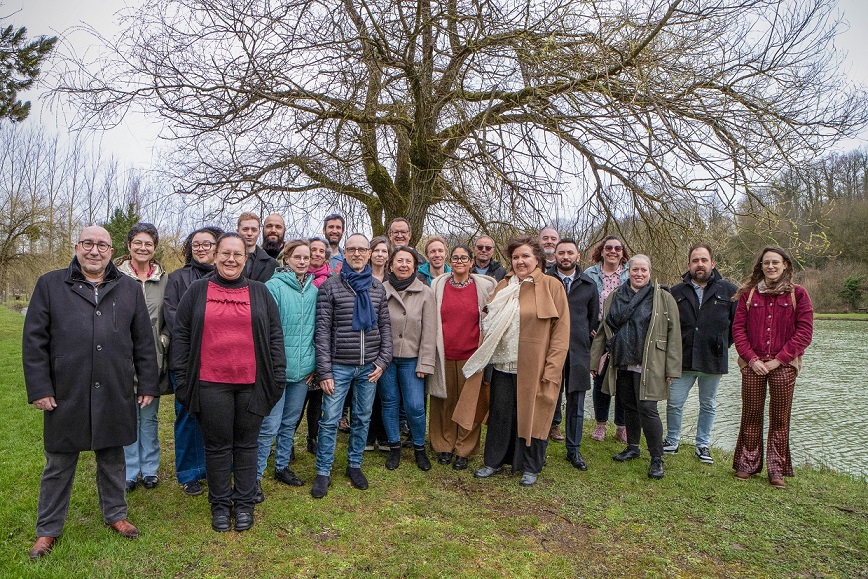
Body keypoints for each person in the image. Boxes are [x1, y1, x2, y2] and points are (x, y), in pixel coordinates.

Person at [24, 226, 159, 559]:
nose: (94, 251)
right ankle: (48, 529)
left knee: (112, 457)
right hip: (66, 389)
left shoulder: (128, 288)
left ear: (112, 251)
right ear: (76, 247)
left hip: (114, 387)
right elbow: (34, 341)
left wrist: (148, 383)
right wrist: (41, 387)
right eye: (88, 244)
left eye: (102, 245)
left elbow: (143, 341)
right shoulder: (51, 284)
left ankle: (116, 515)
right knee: (58, 463)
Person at [171, 232, 286, 532]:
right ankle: (220, 505)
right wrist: (183, 381)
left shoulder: (260, 292)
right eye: (225, 253)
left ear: (245, 259)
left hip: (251, 383)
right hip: (210, 384)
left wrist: (277, 379)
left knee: (247, 446)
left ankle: (244, 504)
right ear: (215, 255)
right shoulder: (197, 290)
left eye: (237, 254)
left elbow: (275, 337)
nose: (231, 259)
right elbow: (181, 335)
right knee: (218, 447)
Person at [459, 235, 569, 487]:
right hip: (502, 365)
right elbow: (488, 322)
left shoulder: (552, 286)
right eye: (516, 257)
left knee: (532, 416)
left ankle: (530, 465)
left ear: (537, 259)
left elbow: (561, 334)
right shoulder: (505, 284)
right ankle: (495, 461)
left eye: (525, 256)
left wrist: (552, 370)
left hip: (535, 367)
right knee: (500, 415)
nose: (520, 261)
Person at [311, 233, 392, 498]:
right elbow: (321, 332)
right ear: (344, 254)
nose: (357, 254)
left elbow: (385, 329)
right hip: (339, 366)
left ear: (369, 253)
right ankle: (323, 471)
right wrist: (324, 370)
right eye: (352, 250)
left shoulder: (377, 289)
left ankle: (354, 464)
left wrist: (382, 360)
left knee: (362, 417)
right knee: (330, 419)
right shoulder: (331, 287)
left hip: (369, 366)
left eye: (362, 250)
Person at [590, 255, 681, 480]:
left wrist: (672, 368)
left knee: (648, 408)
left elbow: (674, 334)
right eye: (634, 270)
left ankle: (656, 458)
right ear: (628, 271)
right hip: (622, 360)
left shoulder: (662, 297)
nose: (638, 274)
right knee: (628, 405)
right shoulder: (616, 296)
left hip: (651, 363)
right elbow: (604, 329)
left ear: (650, 272)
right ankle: (632, 447)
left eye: (643, 270)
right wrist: (594, 361)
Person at [731, 246, 813, 488]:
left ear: (785, 264)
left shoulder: (798, 294)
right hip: (752, 364)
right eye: (766, 263)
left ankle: (776, 469)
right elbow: (738, 330)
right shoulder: (749, 294)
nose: (771, 267)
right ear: (761, 266)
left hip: (784, 366)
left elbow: (804, 333)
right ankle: (747, 464)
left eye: (775, 262)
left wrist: (780, 359)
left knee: (780, 418)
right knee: (751, 414)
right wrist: (752, 360)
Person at [256, 240, 318, 500]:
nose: (302, 261)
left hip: (303, 371)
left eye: (307, 257)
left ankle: (281, 466)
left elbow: (315, 329)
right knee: (269, 425)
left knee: (290, 423)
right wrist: (270, 366)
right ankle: (255, 475)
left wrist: (313, 364)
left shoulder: (314, 290)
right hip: (278, 370)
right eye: (298, 257)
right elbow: (266, 330)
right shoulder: (274, 287)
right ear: (287, 258)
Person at [664, 244, 737, 464]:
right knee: (674, 403)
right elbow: (668, 325)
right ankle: (672, 440)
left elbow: (736, 325)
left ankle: (702, 445)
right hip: (683, 359)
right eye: (695, 260)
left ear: (712, 263)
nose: (700, 264)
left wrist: (722, 344)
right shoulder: (675, 292)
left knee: (708, 405)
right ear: (689, 265)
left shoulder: (729, 291)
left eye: (704, 260)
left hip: (712, 359)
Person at [163, 226, 223, 496]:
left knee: (217, 416)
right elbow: (174, 316)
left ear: (216, 248)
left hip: (220, 359)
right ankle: (190, 472)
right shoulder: (177, 279)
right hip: (187, 359)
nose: (201, 248)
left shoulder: (226, 277)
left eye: (207, 244)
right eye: (196, 244)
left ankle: (217, 467)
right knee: (187, 415)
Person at [428, 244, 496, 470]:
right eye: (455, 258)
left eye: (464, 258)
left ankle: (464, 449)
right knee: (444, 401)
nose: (459, 261)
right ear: (450, 260)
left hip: (472, 356)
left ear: (470, 262)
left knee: (468, 405)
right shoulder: (438, 285)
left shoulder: (484, 286)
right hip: (444, 353)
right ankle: (444, 446)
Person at [116, 223, 169, 492]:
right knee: (127, 417)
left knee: (148, 417)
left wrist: (162, 342)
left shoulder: (163, 279)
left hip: (153, 360)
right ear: (129, 246)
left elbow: (170, 318)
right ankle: (129, 470)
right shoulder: (115, 277)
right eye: (138, 242)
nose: (143, 247)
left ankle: (149, 469)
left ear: (154, 248)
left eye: (148, 243)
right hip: (121, 359)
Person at [380, 246, 437, 470]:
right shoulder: (380, 289)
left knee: (415, 406)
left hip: (412, 359)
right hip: (386, 359)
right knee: (390, 403)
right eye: (399, 261)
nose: (404, 265)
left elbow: (430, 331)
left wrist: (425, 361)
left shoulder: (425, 292)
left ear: (414, 266)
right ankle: (394, 447)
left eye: (408, 262)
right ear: (391, 265)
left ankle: (419, 448)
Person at [548, 239, 599, 471]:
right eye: (561, 253)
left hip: (578, 350)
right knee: (548, 398)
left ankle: (574, 450)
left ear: (578, 256)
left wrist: (583, 340)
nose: (565, 256)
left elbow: (591, 321)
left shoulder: (588, 285)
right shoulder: (545, 280)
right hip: (549, 350)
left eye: (570, 253)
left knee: (576, 402)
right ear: (555, 255)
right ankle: (539, 446)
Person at [585, 235, 631, 443]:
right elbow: (582, 305)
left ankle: (621, 426)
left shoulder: (631, 274)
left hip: (624, 335)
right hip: (598, 334)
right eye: (608, 248)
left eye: (617, 248)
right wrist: (590, 328)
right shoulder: (589, 274)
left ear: (623, 253)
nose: (613, 251)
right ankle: (600, 424)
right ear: (601, 251)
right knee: (601, 379)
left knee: (623, 381)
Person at [237, 212, 278, 282]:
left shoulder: (272, 264)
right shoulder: (228, 260)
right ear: (238, 231)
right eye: (245, 229)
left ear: (259, 232)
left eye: (254, 230)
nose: (249, 233)